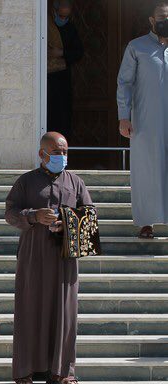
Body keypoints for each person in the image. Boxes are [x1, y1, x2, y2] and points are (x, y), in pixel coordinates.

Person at [5, 132, 93, 384]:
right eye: (56, 153)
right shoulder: (26, 181)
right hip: (33, 255)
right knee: (30, 308)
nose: (61, 157)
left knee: (64, 312)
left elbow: (90, 215)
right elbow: (10, 212)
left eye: (65, 152)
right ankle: (25, 370)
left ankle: (62, 371)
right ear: (41, 154)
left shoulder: (75, 182)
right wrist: (34, 216)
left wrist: (66, 223)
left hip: (64, 257)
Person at [117, 1, 168, 239]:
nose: (165, 22)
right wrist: (124, 117)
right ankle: (146, 223)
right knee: (146, 172)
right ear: (152, 20)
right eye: (162, 18)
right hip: (146, 123)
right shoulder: (136, 47)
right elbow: (124, 83)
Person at [47, 0, 84, 140]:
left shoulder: (70, 28)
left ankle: (61, 146)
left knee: (62, 114)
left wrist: (61, 53)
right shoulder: (46, 26)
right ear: (55, 9)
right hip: (47, 78)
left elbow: (78, 52)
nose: (63, 19)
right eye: (61, 15)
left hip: (62, 77)